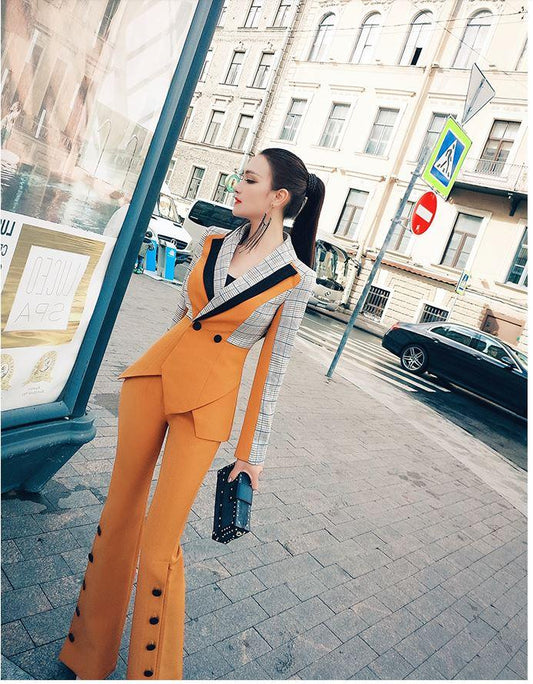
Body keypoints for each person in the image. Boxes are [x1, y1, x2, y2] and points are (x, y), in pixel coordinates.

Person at [57, 147, 325, 680]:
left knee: (160, 545)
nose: (236, 185)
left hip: (205, 410)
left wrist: (251, 455)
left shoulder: (296, 279)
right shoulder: (213, 243)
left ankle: (152, 674)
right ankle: (86, 655)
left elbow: (271, 373)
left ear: (278, 196)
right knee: (117, 516)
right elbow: (181, 316)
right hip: (153, 383)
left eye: (249, 179)